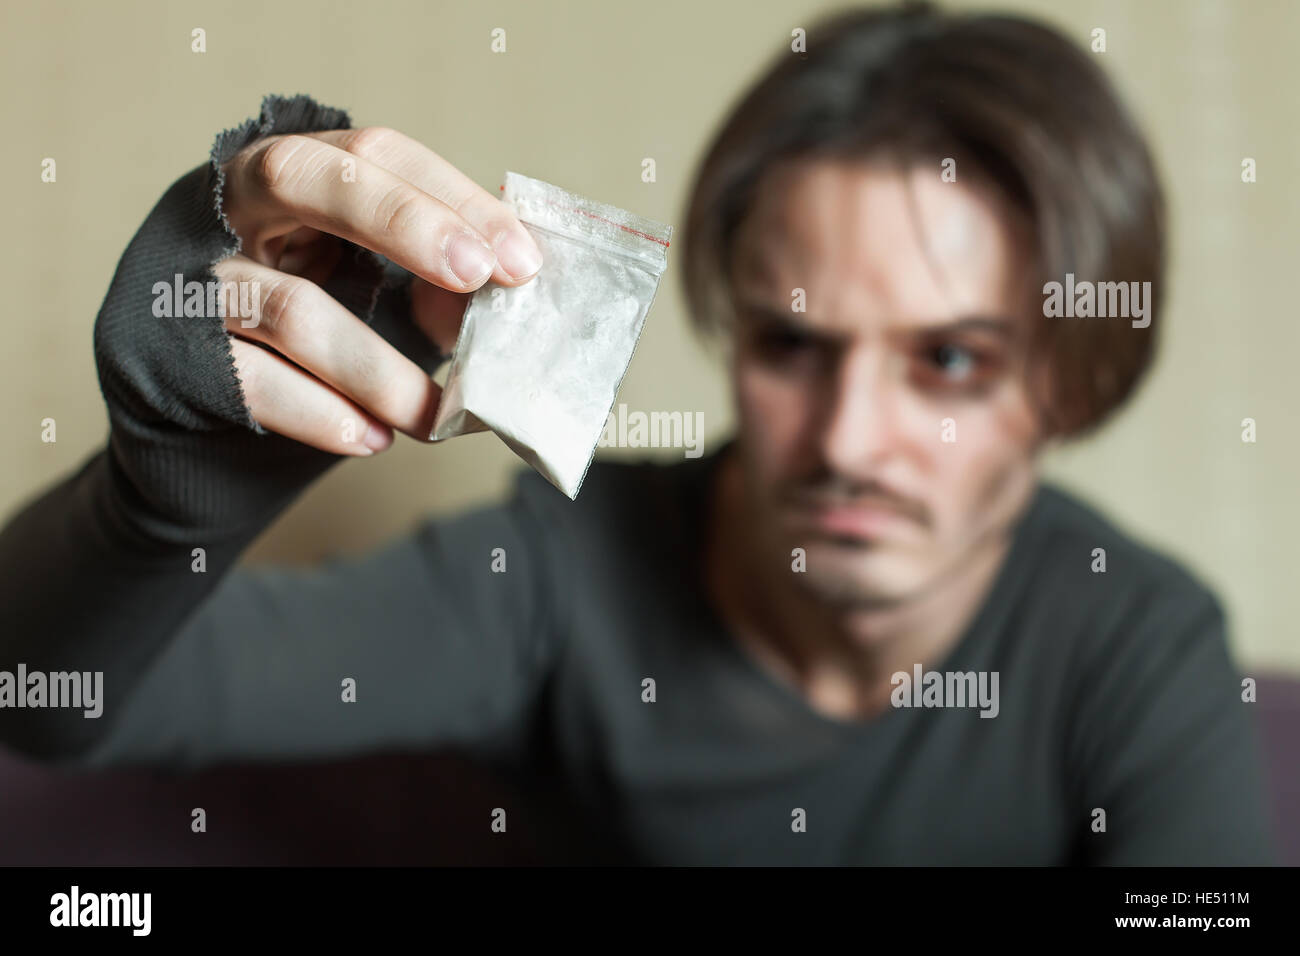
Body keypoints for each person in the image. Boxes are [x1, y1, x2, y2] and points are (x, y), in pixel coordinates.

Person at [0, 1, 1275, 864]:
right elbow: (50, 701)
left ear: (1069, 379)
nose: (849, 439)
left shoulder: (1133, 645)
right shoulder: (566, 573)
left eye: (948, 360)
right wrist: (169, 492)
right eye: (792, 344)